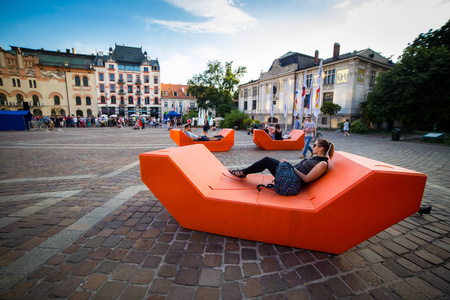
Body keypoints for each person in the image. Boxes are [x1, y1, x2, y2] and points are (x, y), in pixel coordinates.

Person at [229, 138, 334, 186]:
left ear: (321, 148)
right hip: (291, 174)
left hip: (292, 181)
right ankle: (243, 172)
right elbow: (300, 168)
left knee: (267, 161)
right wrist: (289, 164)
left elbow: (306, 179)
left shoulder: (322, 164)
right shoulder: (316, 158)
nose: (313, 147)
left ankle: (243, 173)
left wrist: (291, 167)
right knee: (270, 160)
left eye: (315, 145)